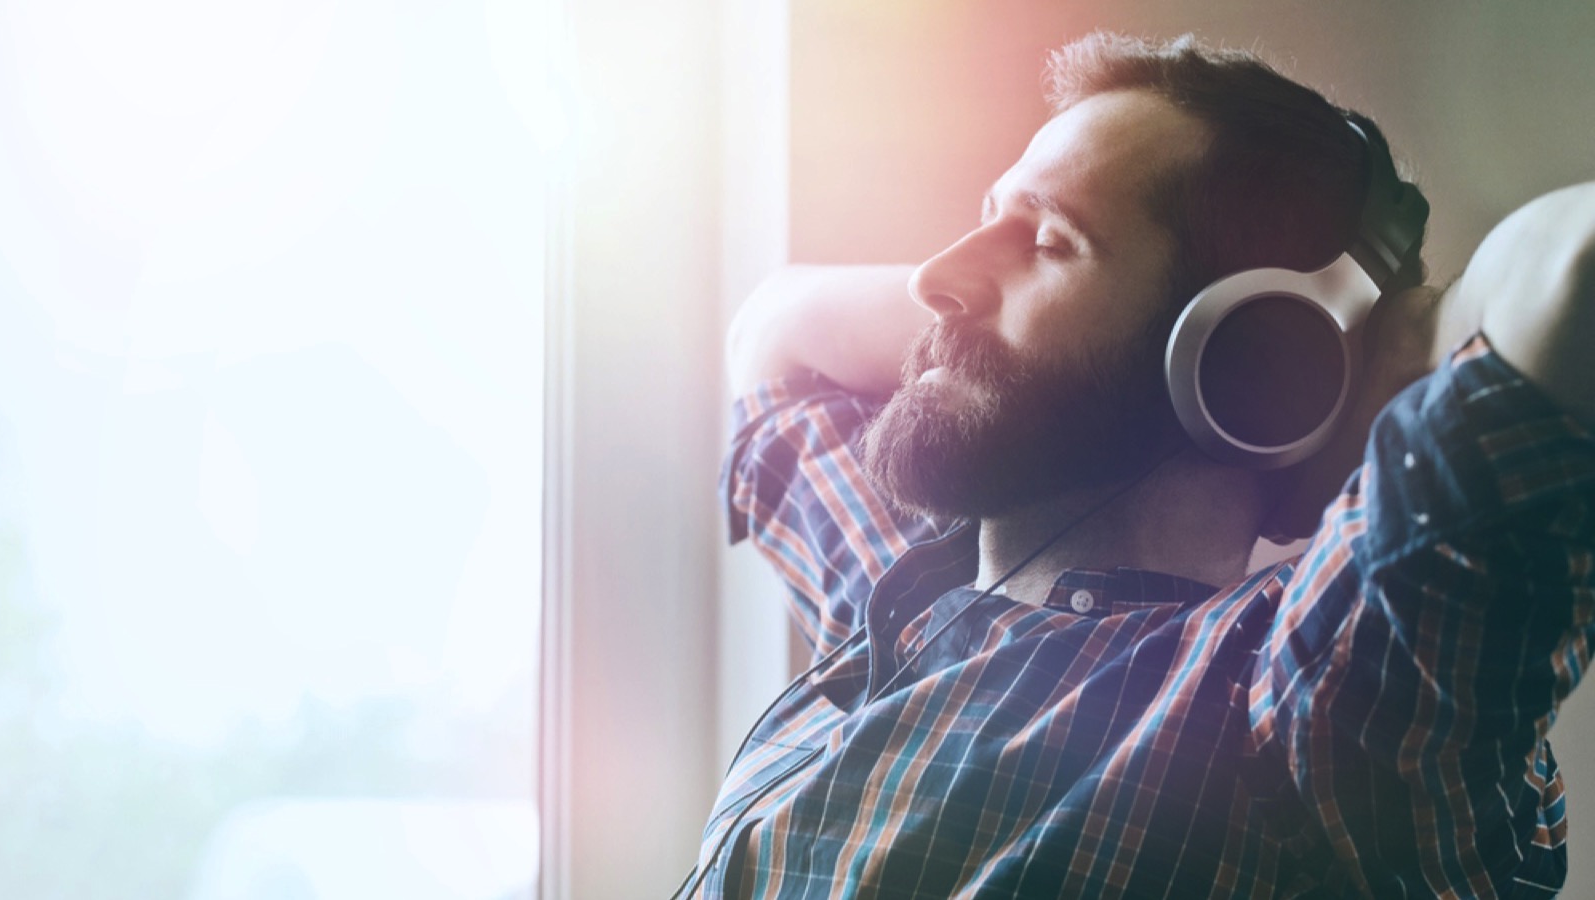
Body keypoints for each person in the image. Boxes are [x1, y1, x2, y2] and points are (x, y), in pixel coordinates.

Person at [679, 32, 1595, 898]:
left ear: (1248, 354)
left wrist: (1354, 342)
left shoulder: (1290, 710)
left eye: (1046, 242)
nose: (932, 279)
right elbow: (776, 334)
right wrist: (997, 289)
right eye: (986, 220)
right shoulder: (897, 603)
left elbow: (1574, 264)